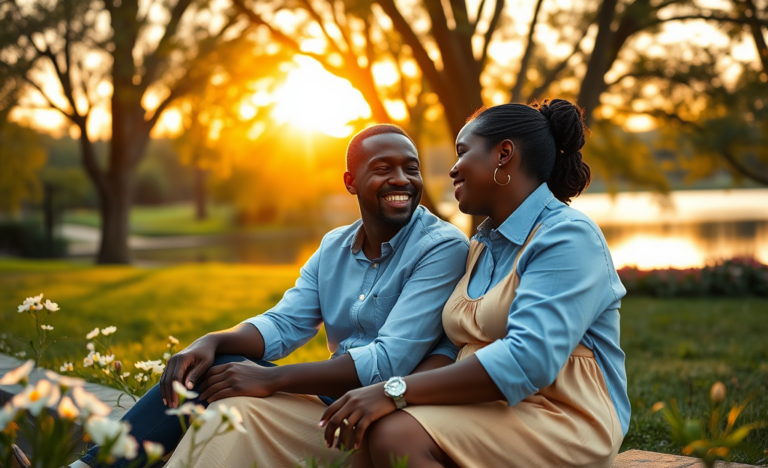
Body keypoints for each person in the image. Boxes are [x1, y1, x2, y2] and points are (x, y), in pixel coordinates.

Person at [72, 124, 469, 467]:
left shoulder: (441, 246)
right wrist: (214, 340)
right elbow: (284, 323)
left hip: (389, 412)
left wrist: (271, 379)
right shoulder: (334, 246)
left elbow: (387, 362)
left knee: (232, 395)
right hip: (338, 399)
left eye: (411, 168)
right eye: (383, 169)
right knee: (213, 366)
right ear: (350, 182)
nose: (401, 179)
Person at [314, 99, 630, 467]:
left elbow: (528, 359)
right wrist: (382, 393)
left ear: (503, 154)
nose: (452, 169)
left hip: (565, 418)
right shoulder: (481, 245)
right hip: (486, 410)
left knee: (396, 435)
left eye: (463, 152)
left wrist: (393, 390)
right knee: (369, 439)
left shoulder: (567, 236)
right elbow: (452, 348)